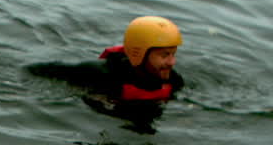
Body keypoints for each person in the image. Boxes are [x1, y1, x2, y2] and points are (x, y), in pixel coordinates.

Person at [29, 16, 185, 102]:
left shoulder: (173, 80)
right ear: (140, 54)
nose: (172, 62)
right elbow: (36, 71)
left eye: (173, 54)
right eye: (164, 55)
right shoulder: (101, 74)